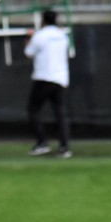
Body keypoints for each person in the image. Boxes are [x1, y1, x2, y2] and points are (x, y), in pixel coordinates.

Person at [24, 9, 72, 158]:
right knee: (60, 113)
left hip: (44, 77)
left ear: (42, 20)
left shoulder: (40, 35)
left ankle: (42, 142)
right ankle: (64, 147)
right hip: (61, 78)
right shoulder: (62, 35)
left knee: (33, 109)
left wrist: (28, 39)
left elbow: (28, 52)